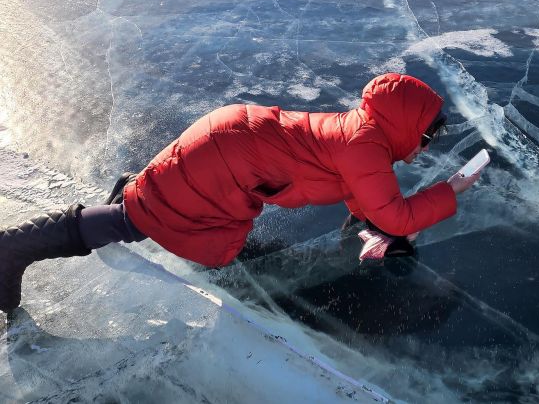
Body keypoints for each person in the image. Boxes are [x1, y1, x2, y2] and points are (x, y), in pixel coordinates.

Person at [0, 73, 482, 313]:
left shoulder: (365, 133)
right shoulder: (365, 146)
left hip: (231, 141)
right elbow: (395, 214)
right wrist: (451, 189)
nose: (426, 146)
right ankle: (15, 247)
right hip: (226, 159)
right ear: (404, 126)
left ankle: (135, 191)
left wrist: (367, 227)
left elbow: (364, 195)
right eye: (427, 136)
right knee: (140, 219)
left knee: (161, 204)